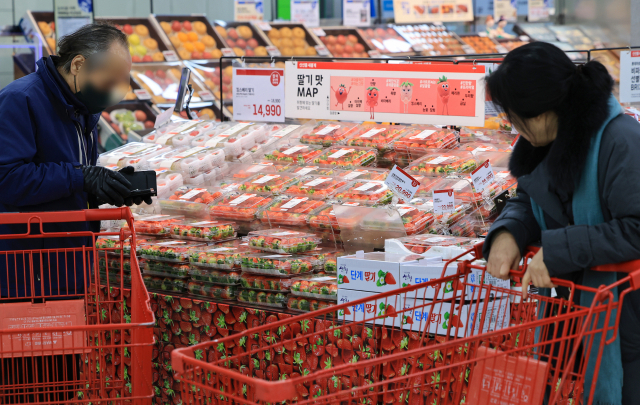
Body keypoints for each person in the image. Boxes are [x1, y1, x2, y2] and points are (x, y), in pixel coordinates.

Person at [484, 42, 640, 404]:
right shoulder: (543, 141)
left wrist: (558, 250)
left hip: (624, 319)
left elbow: (636, 227)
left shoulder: (621, 142)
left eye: (514, 116)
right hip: (569, 314)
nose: (512, 125)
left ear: (541, 112)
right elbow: (531, 199)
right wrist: (509, 232)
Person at [0, 22, 151, 299]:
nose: (113, 93)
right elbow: (7, 179)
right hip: (29, 268)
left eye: (119, 84)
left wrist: (105, 187)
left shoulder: (81, 107)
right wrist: (81, 176)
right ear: (78, 64)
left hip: (70, 258)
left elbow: (70, 175)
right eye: (108, 83)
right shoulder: (19, 100)